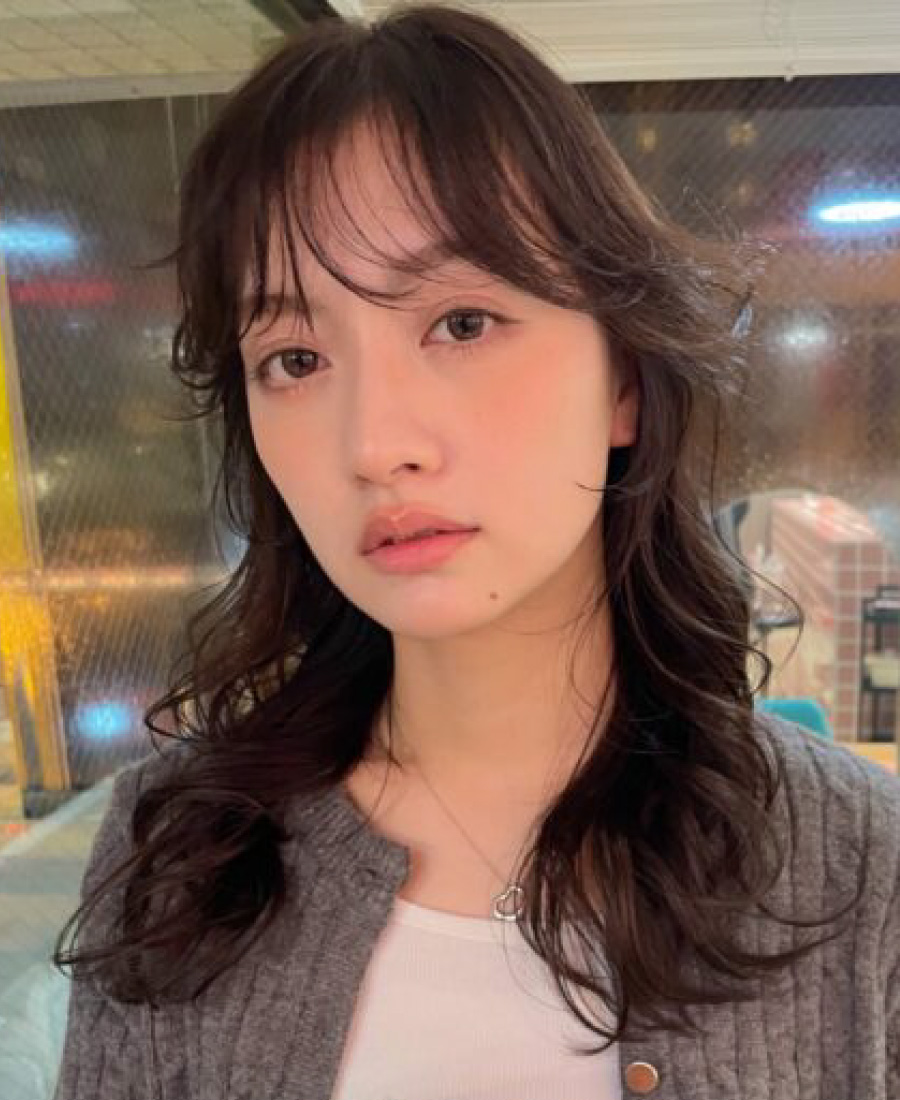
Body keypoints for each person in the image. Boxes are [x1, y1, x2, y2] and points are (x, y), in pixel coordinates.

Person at [51, 5, 899, 1099]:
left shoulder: (862, 863)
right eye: (295, 358)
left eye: (461, 323)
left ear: (624, 379)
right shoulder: (177, 853)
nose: (374, 445)